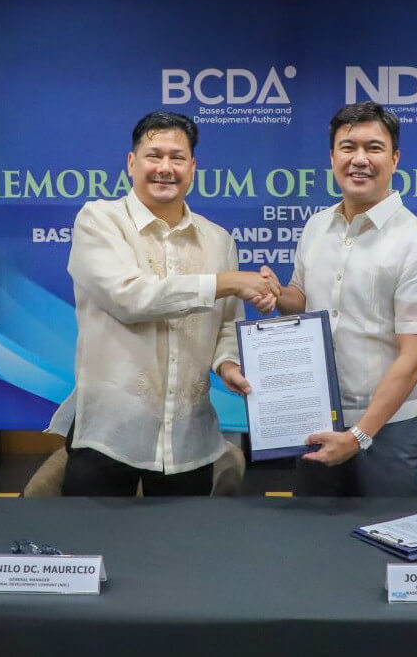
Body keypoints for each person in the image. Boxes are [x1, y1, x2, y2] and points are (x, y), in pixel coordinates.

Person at [49, 111, 275, 496]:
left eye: (177, 157)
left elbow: (226, 324)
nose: (165, 168)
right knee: (93, 544)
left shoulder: (218, 240)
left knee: (181, 551)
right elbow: (130, 298)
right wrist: (229, 281)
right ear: (131, 163)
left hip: (189, 437)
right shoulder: (99, 221)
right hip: (110, 431)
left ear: (193, 167)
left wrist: (228, 364)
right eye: (154, 156)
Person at [263, 101, 417, 496]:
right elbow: (302, 298)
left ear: (395, 158)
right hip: (316, 419)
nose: (360, 159)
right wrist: (276, 295)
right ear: (332, 157)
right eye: (348, 147)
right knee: (315, 543)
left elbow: (415, 353)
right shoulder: (317, 226)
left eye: (374, 147)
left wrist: (359, 436)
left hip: (389, 431)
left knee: (386, 543)